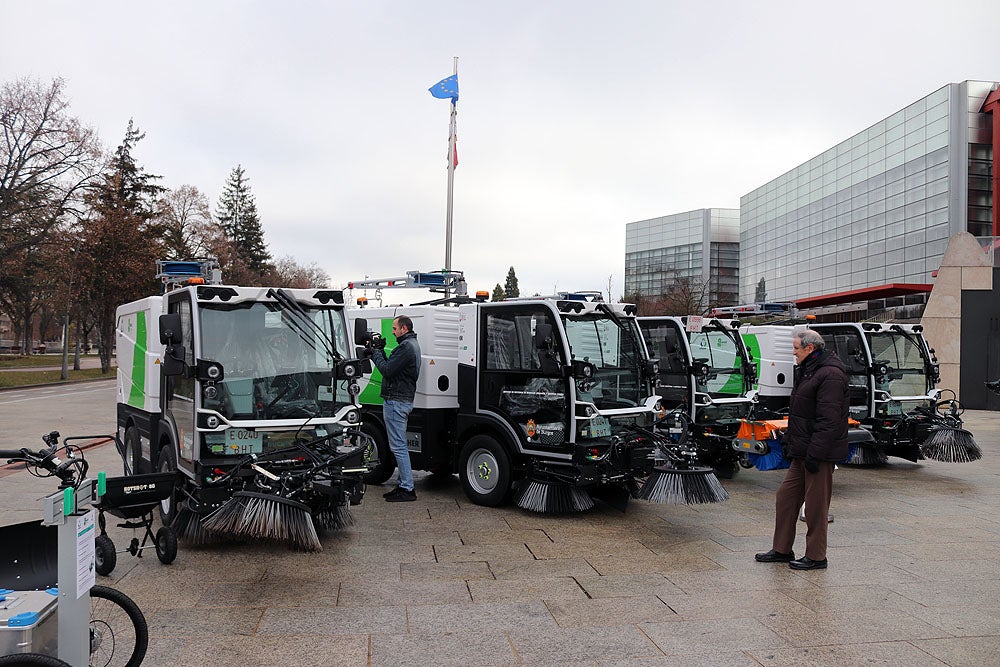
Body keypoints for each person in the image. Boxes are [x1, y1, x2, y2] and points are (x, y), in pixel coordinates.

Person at [755, 328, 848, 570]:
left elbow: (829, 420)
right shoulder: (808, 370)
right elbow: (800, 412)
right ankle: (782, 549)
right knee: (785, 497)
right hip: (803, 450)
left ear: (810, 348)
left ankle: (817, 557)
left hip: (819, 453)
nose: (793, 352)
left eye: (796, 348)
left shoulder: (830, 375)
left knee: (816, 507)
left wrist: (815, 454)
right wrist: (790, 442)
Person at [368, 316, 421, 502]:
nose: (392, 331)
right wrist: (381, 352)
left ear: (404, 328)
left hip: (396, 401)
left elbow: (387, 371)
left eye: (395, 328)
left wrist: (374, 354)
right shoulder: (411, 345)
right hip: (402, 400)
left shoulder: (406, 347)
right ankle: (402, 484)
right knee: (400, 445)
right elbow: (392, 368)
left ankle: (407, 488)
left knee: (398, 446)